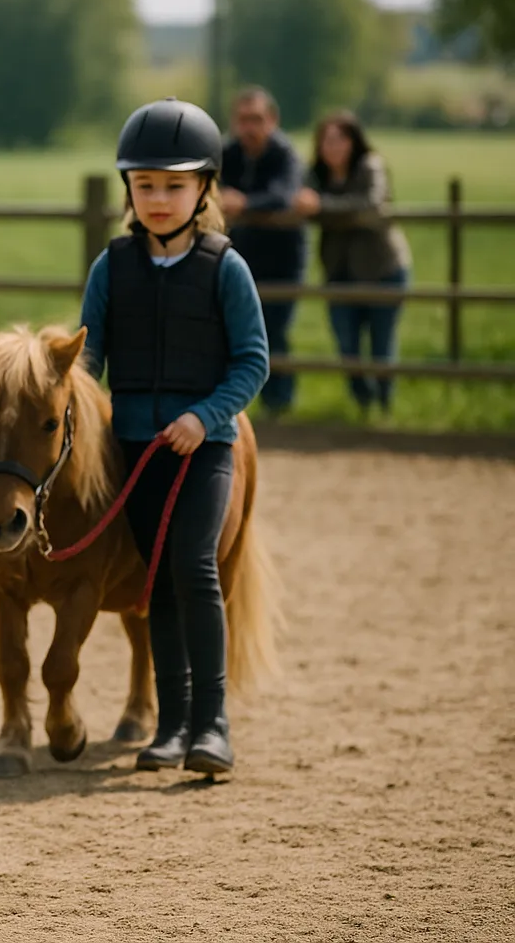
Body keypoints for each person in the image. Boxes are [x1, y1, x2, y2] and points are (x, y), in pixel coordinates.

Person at [80, 97, 270, 776]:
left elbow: (253, 361)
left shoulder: (225, 269)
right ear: (130, 190)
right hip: (132, 447)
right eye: (146, 185)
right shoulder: (112, 268)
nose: (158, 199)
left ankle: (211, 724)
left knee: (191, 564)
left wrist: (205, 417)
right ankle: (168, 726)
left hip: (205, 447)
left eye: (174, 185)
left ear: (204, 190)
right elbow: (86, 360)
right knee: (155, 581)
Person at [292, 111, 412, 415]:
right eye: (325, 140)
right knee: (347, 346)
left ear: (353, 141)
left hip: (382, 269)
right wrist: (323, 208)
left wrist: (323, 207)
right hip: (339, 272)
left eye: (339, 139)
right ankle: (363, 403)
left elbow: (370, 206)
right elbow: (304, 203)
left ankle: (384, 407)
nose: (331, 147)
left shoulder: (371, 166)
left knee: (382, 346)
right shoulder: (316, 174)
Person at [220, 86, 304, 415]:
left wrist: (243, 202)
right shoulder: (229, 153)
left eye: (256, 119)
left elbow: (284, 194)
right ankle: (241, 405)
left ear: (272, 120)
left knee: (275, 333)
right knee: (235, 331)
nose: (249, 127)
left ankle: (279, 405)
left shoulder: (285, 154)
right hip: (240, 257)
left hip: (283, 261)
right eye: (243, 120)